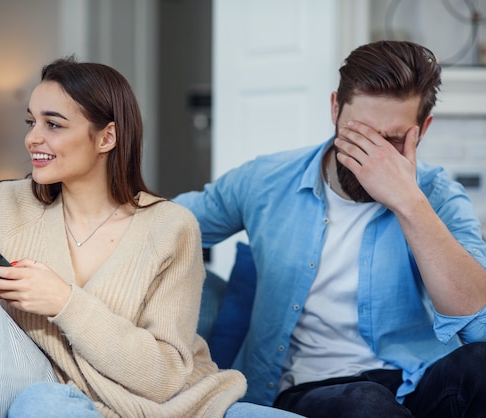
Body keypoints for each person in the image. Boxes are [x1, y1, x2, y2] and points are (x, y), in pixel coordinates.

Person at [0, 57, 302, 418]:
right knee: (39, 406)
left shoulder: (171, 226)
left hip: (184, 405)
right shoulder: (8, 204)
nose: (34, 137)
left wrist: (63, 302)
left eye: (54, 124)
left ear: (107, 136)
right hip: (72, 405)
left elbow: (165, 376)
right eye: (31, 121)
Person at [174, 40, 486, 417]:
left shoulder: (437, 195)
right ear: (335, 108)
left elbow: (478, 326)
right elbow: (164, 225)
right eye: (360, 134)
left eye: (392, 140)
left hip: (416, 379)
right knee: (366, 404)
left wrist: (409, 202)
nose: (373, 157)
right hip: (313, 388)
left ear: (423, 130)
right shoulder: (266, 180)